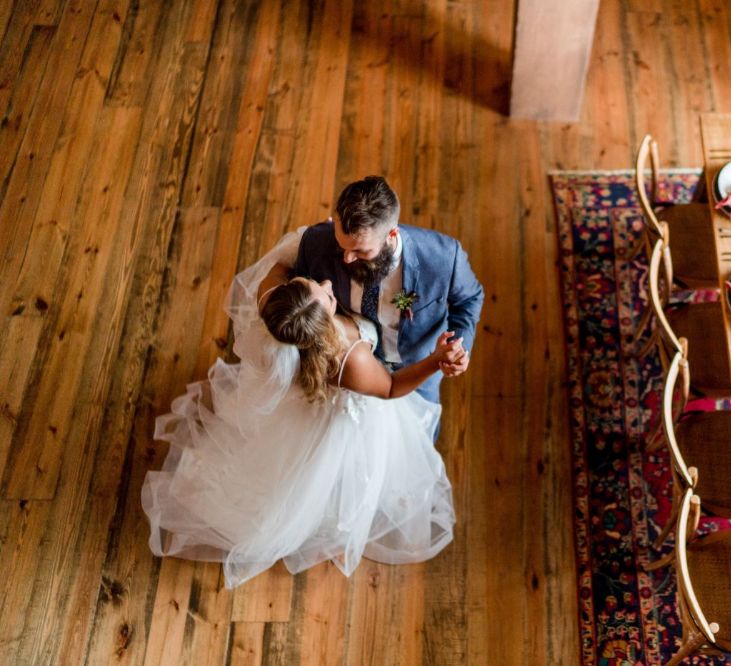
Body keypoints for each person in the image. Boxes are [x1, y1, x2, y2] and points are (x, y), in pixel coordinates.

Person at [141, 227, 463, 588]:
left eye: (312, 284)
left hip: (304, 400)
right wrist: (436, 361)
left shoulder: (272, 302)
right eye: (326, 296)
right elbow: (388, 388)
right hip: (348, 412)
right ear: (325, 323)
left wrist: (324, 236)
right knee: (347, 475)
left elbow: (280, 263)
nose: (327, 284)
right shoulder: (348, 359)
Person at [292, 176, 484, 407]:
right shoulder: (314, 243)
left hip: (419, 371)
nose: (347, 258)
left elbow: (470, 299)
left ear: (391, 235)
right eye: (341, 244)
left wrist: (459, 347)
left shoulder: (443, 258)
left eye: (360, 251)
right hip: (352, 368)